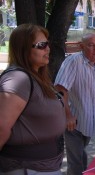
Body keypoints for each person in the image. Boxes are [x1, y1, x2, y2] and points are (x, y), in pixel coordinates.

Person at [0, 24, 66, 174]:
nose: (48, 49)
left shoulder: (38, 76)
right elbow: (1, 128)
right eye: (41, 45)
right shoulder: (18, 79)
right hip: (27, 169)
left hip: (44, 167)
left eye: (47, 44)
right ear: (23, 49)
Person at [54, 33, 95, 175]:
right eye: (91, 45)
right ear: (81, 46)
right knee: (75, 162)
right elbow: (60, 89)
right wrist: (67, 116)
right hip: (74, 122)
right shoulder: (73, 62)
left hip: (90, 120)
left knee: (81, 152)